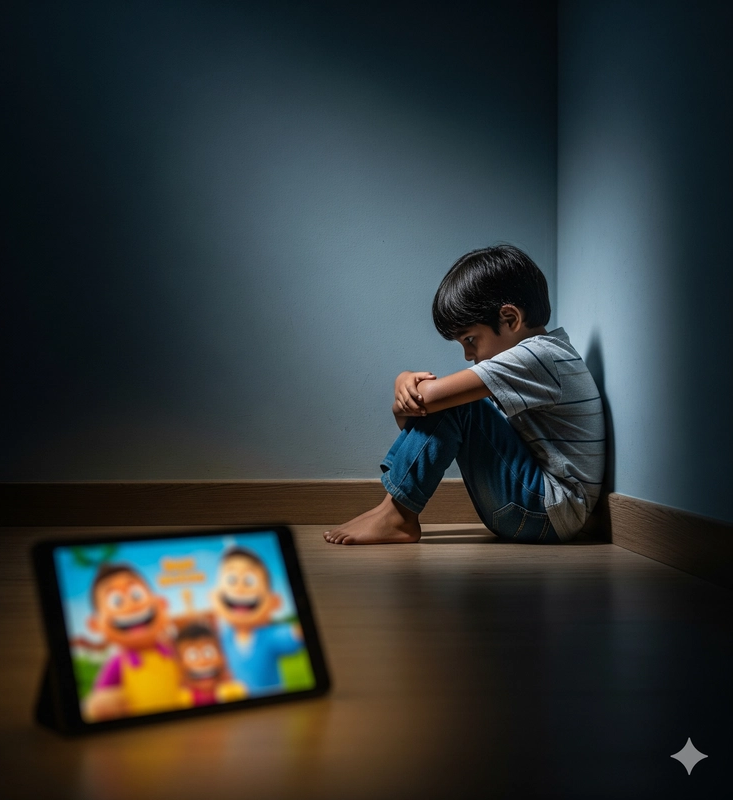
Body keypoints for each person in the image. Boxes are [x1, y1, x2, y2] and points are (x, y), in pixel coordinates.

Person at [323, 244, 605, 546]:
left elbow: (433, 401)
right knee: (455, 404)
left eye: (470, 339)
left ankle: (397, 514)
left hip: (547, 512)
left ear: (510, 319)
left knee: (461, 404)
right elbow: (422, 422)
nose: (469, 355)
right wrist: (408, 399)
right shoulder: (546, 356)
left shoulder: (538, 357)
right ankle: (390, 509)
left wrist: (404, 381)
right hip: (539, 508)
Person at [82, 564, 189, 721]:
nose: (131, 606)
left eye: (137, 595)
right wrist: (102, 704)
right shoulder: (118, 663)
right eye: (117, 601)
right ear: (95, 624)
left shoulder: (174, 649)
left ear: (161, 603)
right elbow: (99, 700)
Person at [212, 547, 304, 695]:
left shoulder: (269, 635)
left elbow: (295, 634)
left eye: (249, 581)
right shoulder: (226, 637)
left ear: (274, 601)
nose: (239, 589)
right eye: (231, 580)